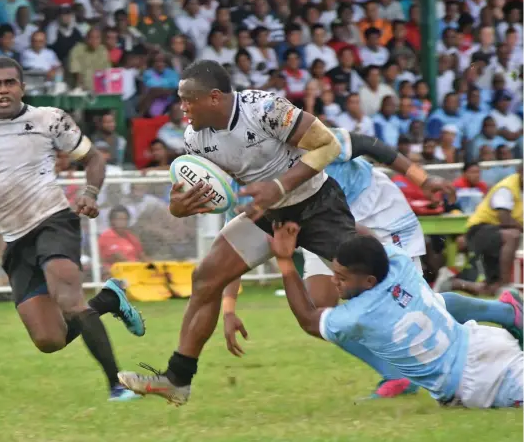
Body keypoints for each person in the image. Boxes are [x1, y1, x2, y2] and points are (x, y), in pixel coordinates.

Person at [118, 59, 354, 405]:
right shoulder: (194, 139)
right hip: (266, 213)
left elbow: (329, 145)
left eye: (188, 99)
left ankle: (424, 338)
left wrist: (278, 185)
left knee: (367, 281)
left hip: (318, 205)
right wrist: (179, 208)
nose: (182, 108)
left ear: (214, 97)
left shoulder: (265, 109)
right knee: (206, 277)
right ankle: (177, 379)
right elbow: (207, 194)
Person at [0, 57, 145, 402]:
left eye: (10, 83)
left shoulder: (49, 119)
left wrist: (90, 192)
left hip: (53, 220)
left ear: (22, 86)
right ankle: (109, 299)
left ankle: (117, 384)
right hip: (14, 238)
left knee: (69, 299)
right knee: (49, 340)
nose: (3, 90)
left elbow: (94, 159)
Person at [223, 127, 456, 397]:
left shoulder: (297, 137)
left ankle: (504, 313)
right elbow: (234, 251)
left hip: (374, 210)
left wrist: (423, 179)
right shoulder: (239, 189)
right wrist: (229, 311)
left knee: (412, 303)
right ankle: (396, 376)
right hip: (319, 227)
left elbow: (370, 144)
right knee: (320, 311)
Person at [268, 224, 523, 408]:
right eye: (335, 274)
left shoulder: (357, 315)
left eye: (342, 278)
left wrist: (285, 261)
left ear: (368, 281)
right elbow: (369, 240)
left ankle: (510, 311)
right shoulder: (399, 263)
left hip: (477, 378)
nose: (334, 282)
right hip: (481, 339)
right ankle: (508, 312)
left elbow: (308, 319)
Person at [463, 171, 523, 295]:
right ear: (521, 173)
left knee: (492, 289)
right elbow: (505, 219)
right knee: (513, 236)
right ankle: (506, 285)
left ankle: (453, 283)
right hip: (478, 231)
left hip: (496, 234)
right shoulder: (506, 188)